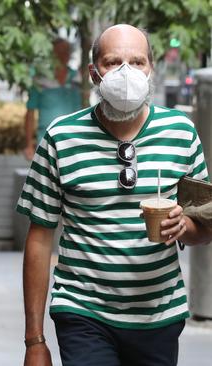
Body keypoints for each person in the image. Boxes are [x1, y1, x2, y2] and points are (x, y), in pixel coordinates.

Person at [17, 24, 212, 366]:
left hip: (159, 314)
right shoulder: (62, 137)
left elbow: (205, 227)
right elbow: (39, 237)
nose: (126, 72)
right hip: (82, 310)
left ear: (152, 68)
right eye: (113, 62)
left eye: (137, 62)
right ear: (94, 73)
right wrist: (34, 340)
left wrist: (185, 227)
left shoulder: (181, 133)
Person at [24, 38, 82, 160]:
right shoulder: (40, 79)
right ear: (52, 54)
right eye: (59, 52)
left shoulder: (77, 77)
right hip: (46, 141)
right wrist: (29, 145)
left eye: (66, 51)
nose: (63, 55)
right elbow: (30, 112)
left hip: (74, 141)